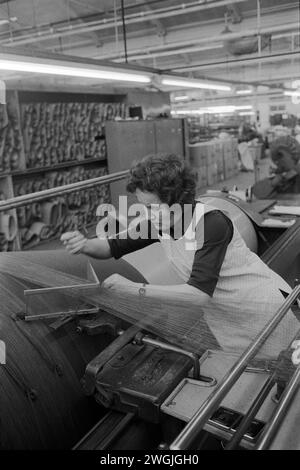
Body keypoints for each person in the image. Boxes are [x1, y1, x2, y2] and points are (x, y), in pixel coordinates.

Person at [61, 153, 299, 359]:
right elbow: (111, 247)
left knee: (279, 381)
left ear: (179, 201)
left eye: (153, 207)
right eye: (144, 207)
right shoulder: (158, 223)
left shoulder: (211, 223)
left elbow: (197, 295)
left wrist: (133, 289)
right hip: (227, 318)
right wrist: (85, 244)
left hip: (261, 310)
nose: (148, 214)